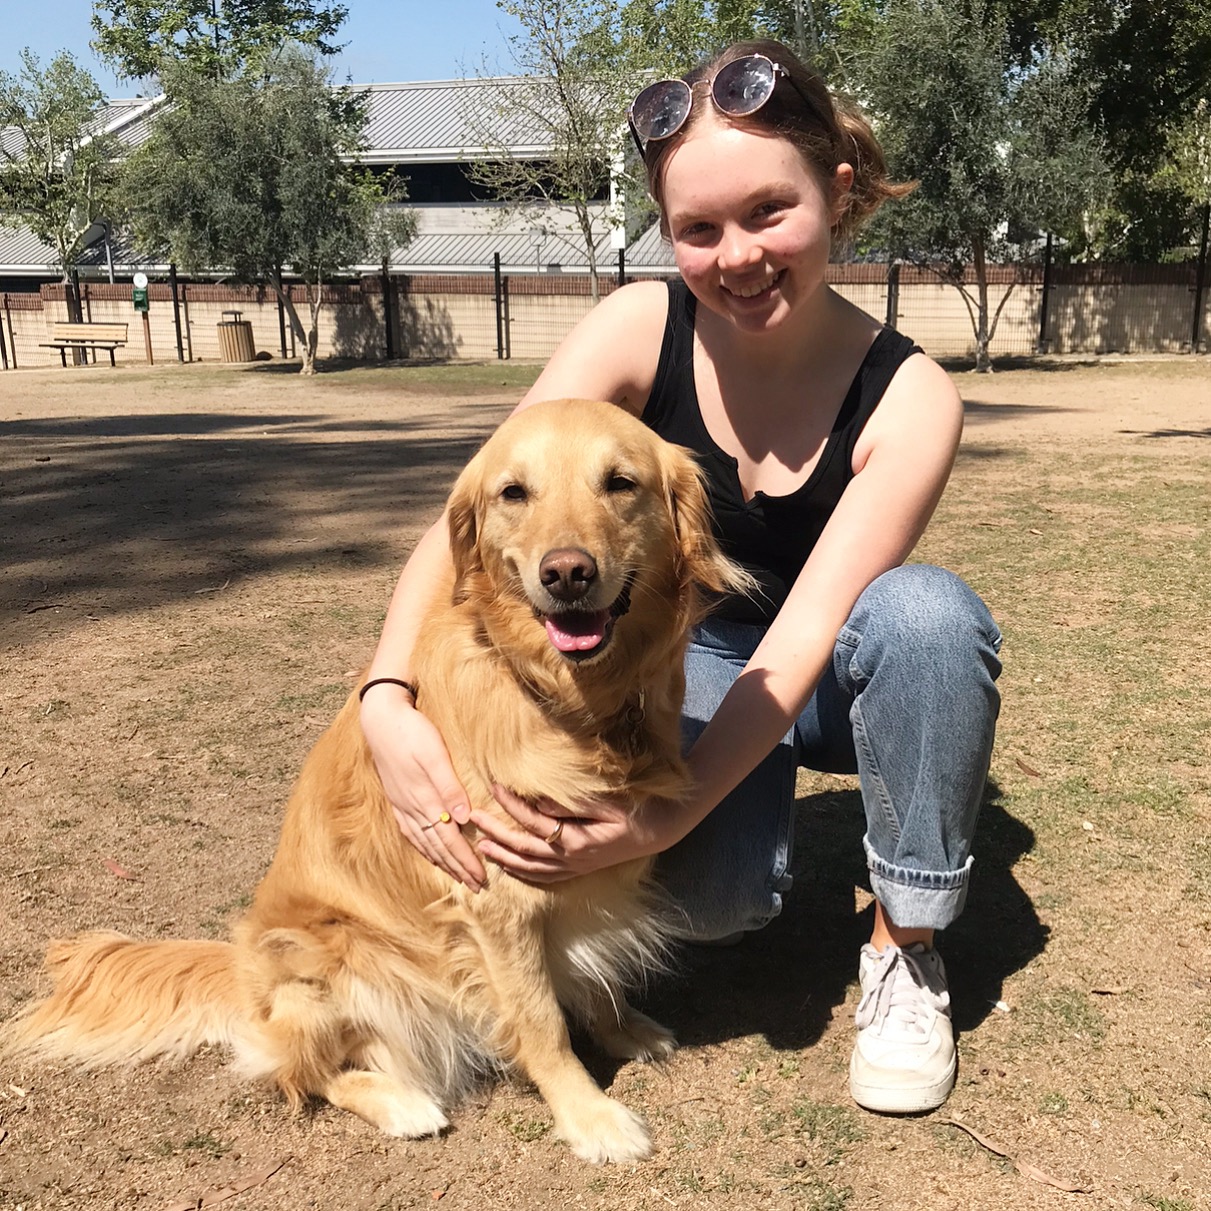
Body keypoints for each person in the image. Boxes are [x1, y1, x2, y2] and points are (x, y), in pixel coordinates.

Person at [358, 38, 1002, 1115]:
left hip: (838, 663)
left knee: (928, 617)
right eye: (696, 229)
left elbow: (801, 635)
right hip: (687, 659)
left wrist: (655, 819)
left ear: (835, 194)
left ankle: (907, 943)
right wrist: (384, 692)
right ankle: (747, 831)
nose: (734, 255)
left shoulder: (910, 395)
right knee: (710, 906)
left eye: (766, 212)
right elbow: (485, 497)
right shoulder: (636, 324)